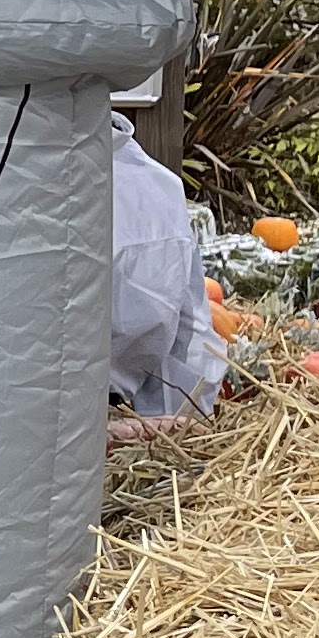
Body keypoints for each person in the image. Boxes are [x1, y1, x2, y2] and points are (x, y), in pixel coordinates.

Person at [109, 113, 228, 417]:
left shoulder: (154, 188)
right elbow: (190, 337)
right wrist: (181, 420)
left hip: (100, 417)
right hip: (111, 412)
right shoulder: (156, 188)